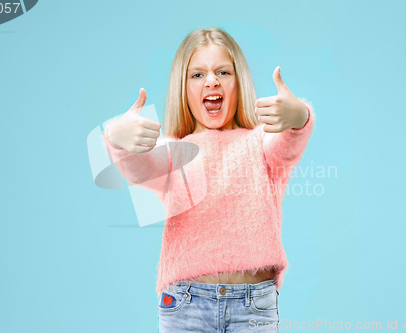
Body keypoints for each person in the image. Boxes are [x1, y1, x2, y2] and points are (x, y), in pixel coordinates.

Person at [102, 27, 315, 333]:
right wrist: (118, 138)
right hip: (184, 306)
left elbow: (287, 145)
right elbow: (140, 167)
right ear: (183, 88)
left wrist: (298, 117)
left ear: (239, 81)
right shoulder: (174, 152)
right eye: (197, 75)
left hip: (253, 305)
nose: (212, 81)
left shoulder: (260, 143)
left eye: (223, 72)